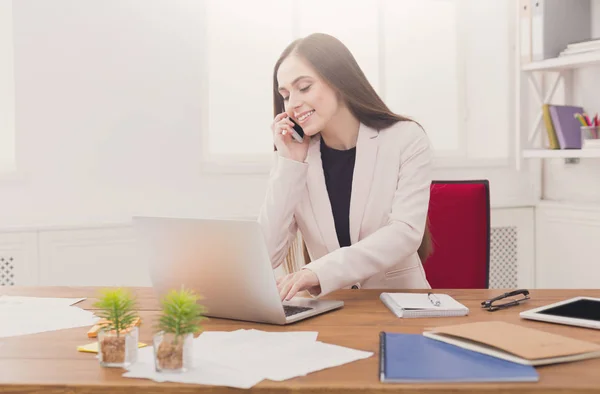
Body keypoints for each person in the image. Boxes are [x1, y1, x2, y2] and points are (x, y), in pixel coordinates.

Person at [258, 33, 433, 302]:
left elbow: (405, 232)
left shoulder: (406, 138)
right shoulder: (296, 158)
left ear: (339, 81)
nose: (292, 104)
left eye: (304, 87)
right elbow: (266, 254)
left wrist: (319, 272)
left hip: (402, 305)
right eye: (285, 95)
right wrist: (289, 164)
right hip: (330, 311)